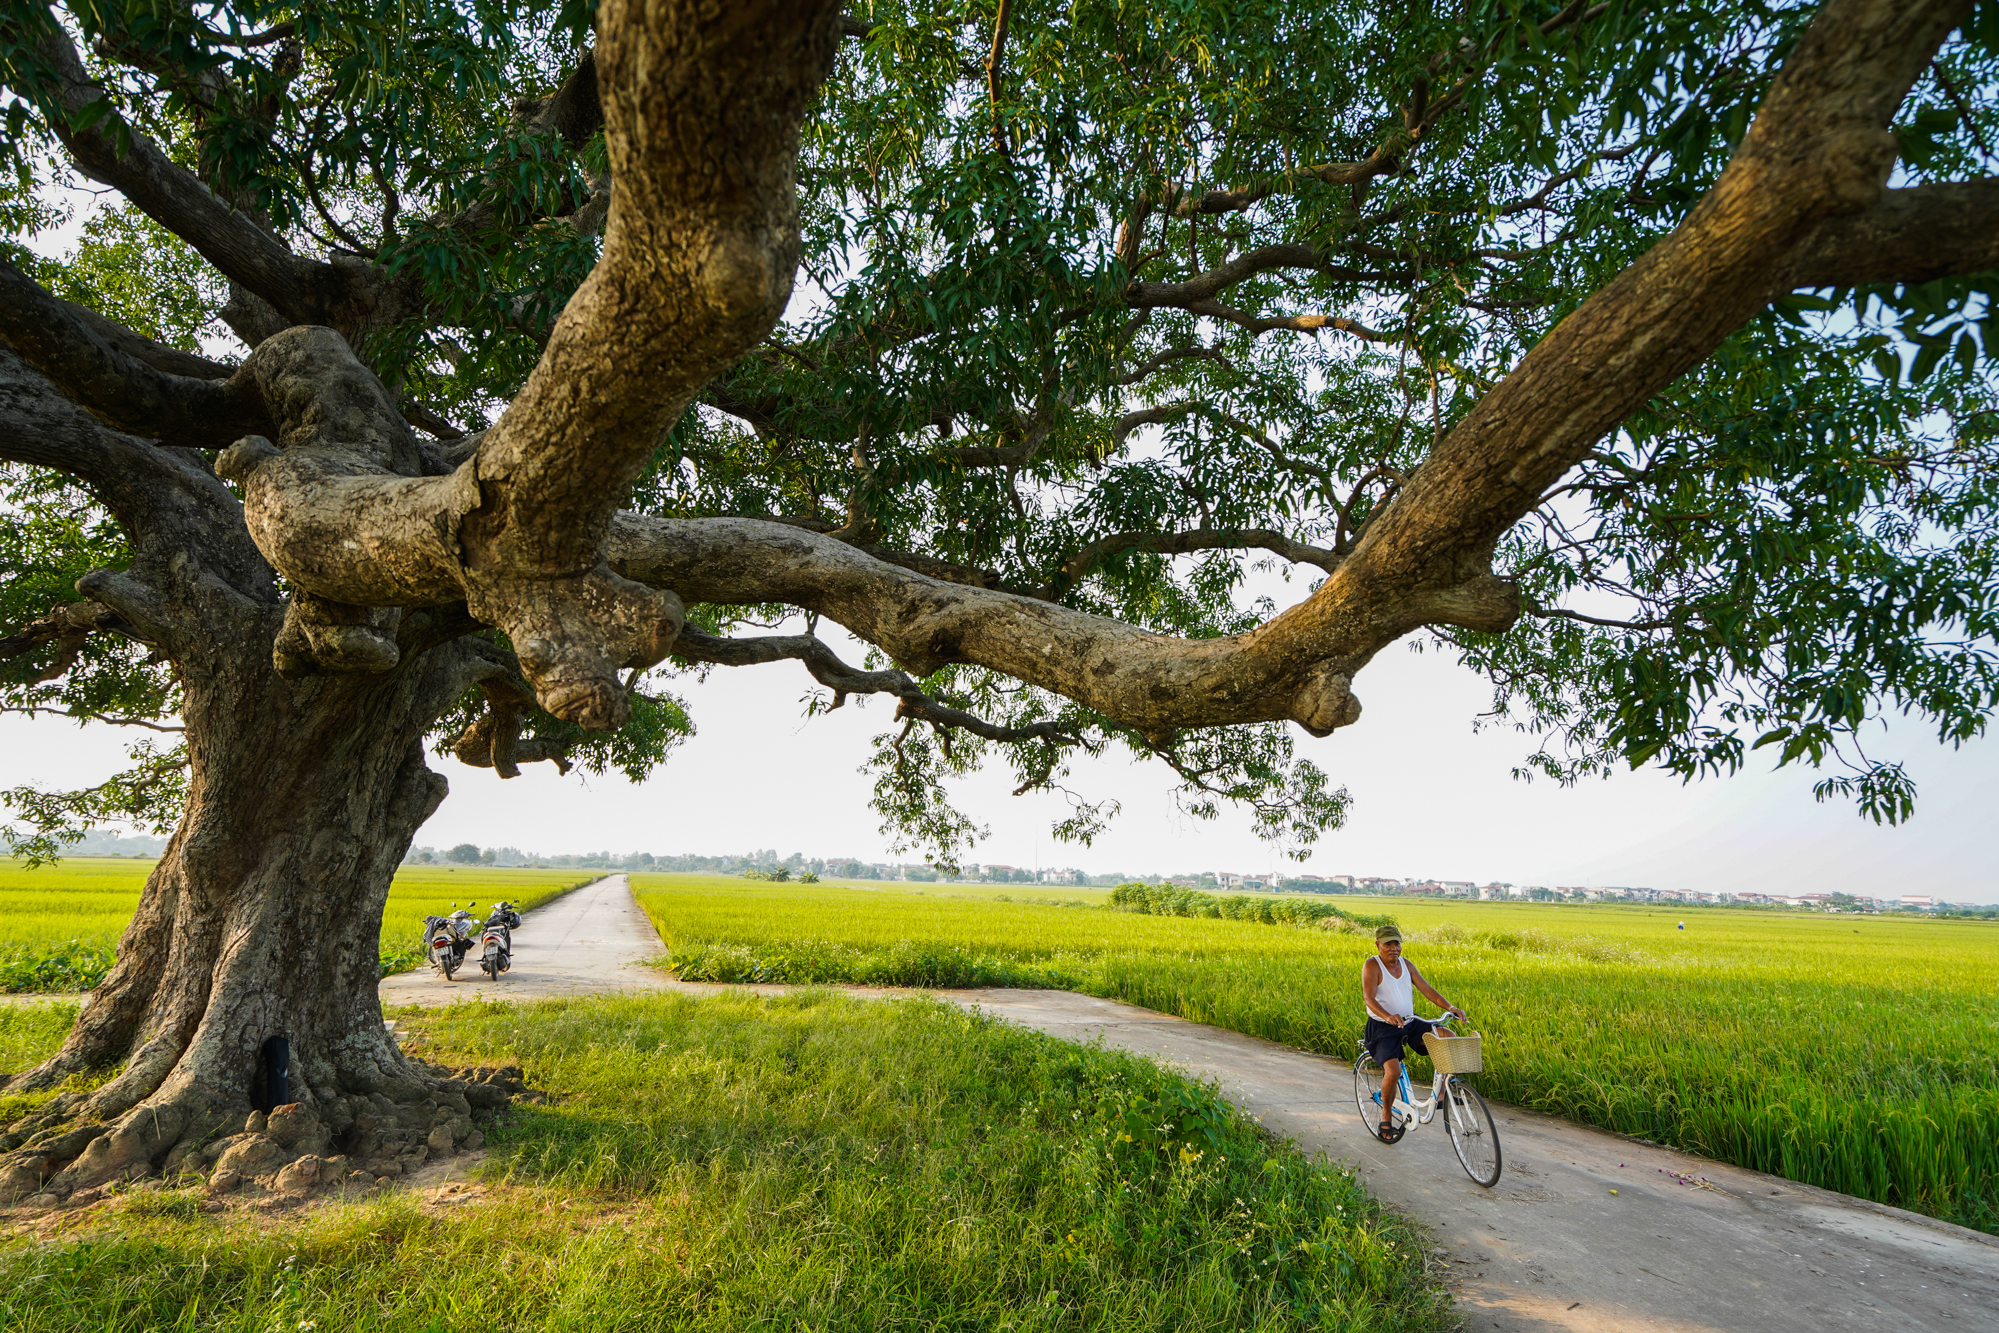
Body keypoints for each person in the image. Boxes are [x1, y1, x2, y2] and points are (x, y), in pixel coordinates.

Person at [1361, 924, 1465, 1143]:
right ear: (1378, 945)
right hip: (1383, 1026)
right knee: (1394, 1071)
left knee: (1449, 1038)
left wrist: (1450, 1007)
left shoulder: (1406, 965)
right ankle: (1386, 1116)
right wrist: (1388, 1016)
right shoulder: (1372, 965)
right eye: (1387, 943)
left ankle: (1442, 1094)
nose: (1393, 948)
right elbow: (1369, 998)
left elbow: (1427, 989)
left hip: (1410, 1021)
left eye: (1396, 943)